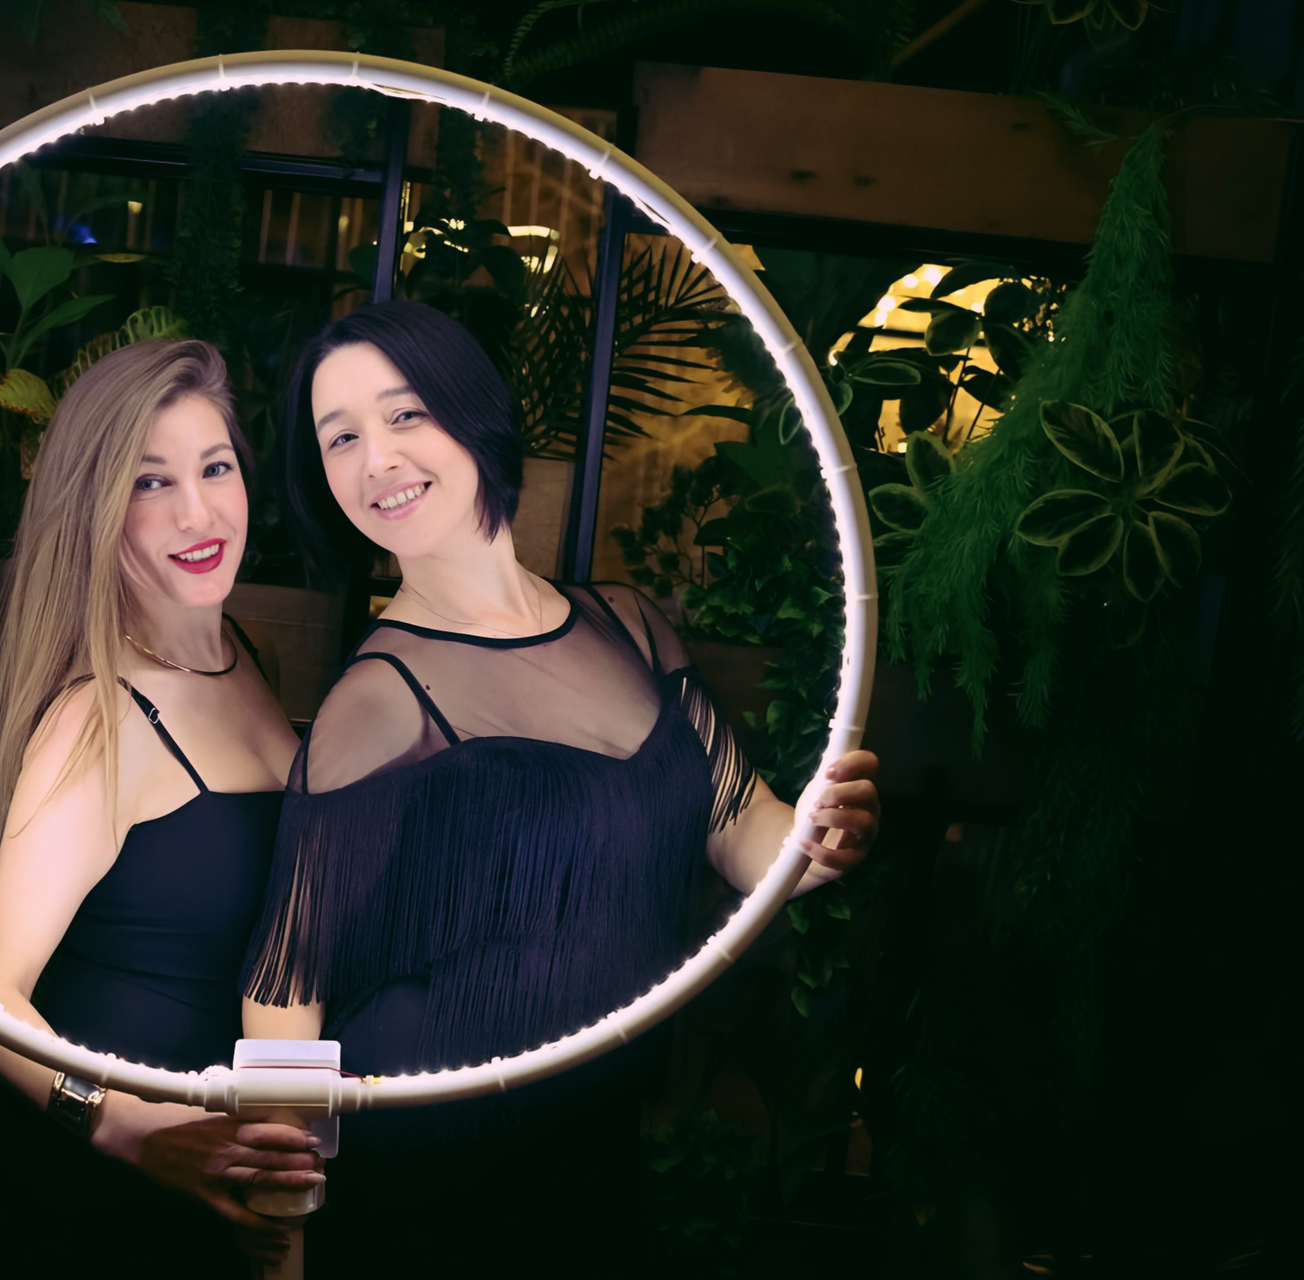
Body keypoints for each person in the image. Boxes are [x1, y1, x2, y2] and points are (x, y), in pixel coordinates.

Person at [240, 302, 881, 1275]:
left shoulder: (627, 624)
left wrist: (824, 839)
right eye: (342, 438)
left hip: (589, 1149)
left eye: (405, 413)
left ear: (472, 413)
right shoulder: (377, 700)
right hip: (433, 1174)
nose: (378, 458)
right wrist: (279, 1246)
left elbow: (745, 828)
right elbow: (284, 995)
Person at [0, 341, 321, 1276]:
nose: (198, 512)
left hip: (221, 1196)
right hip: (93, 1209)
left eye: (215, 468)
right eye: (150, 483)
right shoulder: (98, 719)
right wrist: (123, 1125)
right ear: (96, 512)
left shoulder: (250, 656)